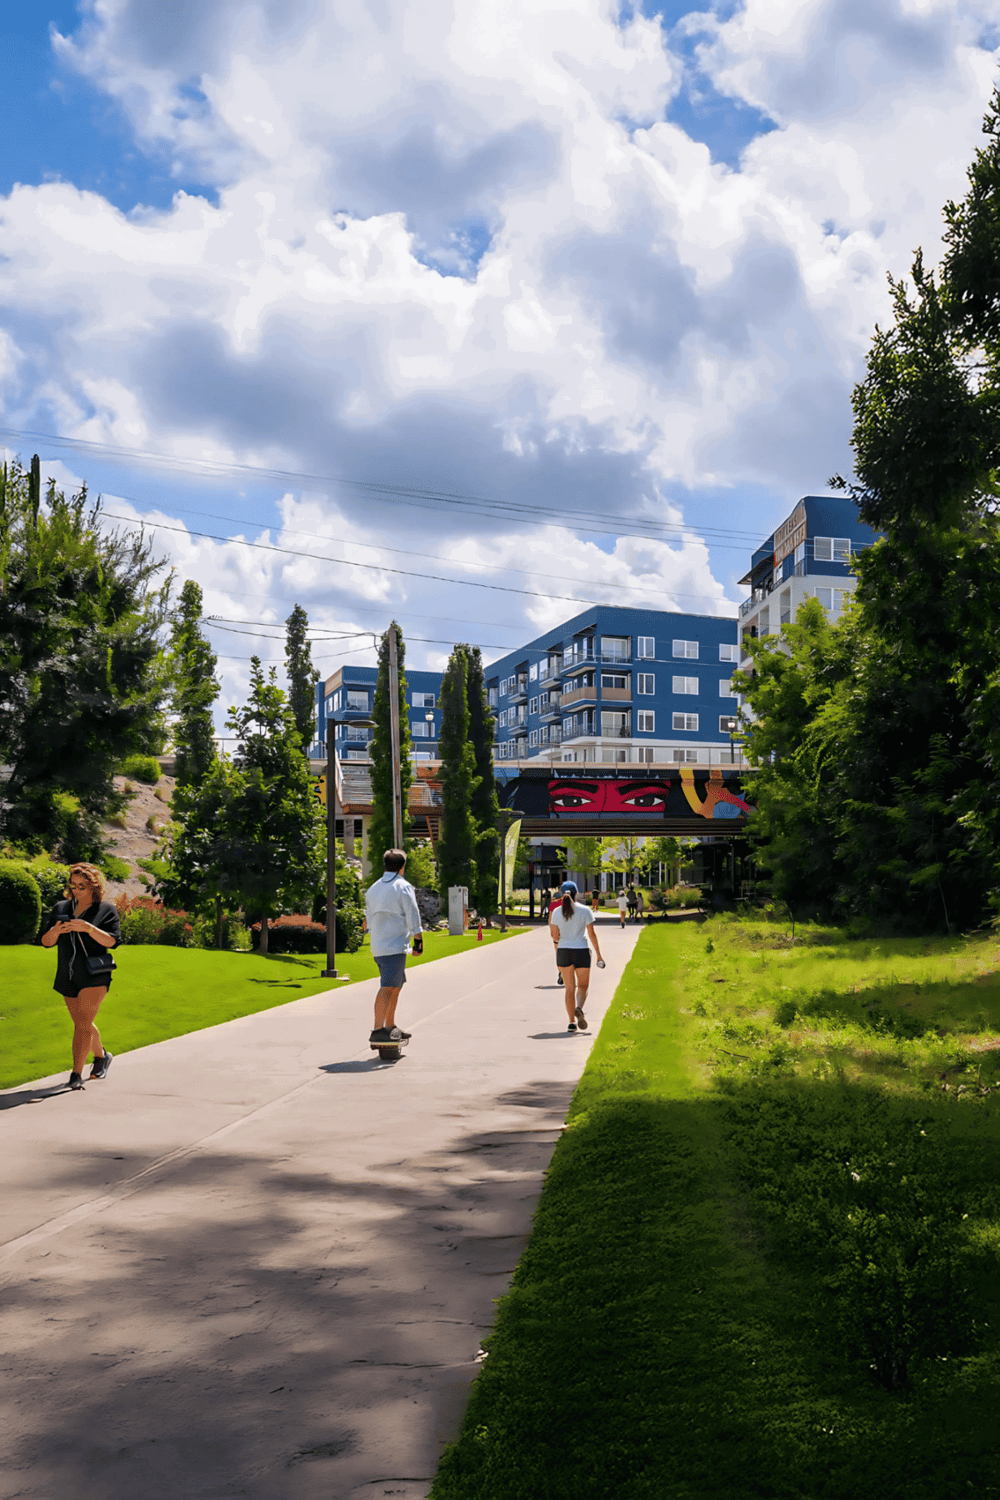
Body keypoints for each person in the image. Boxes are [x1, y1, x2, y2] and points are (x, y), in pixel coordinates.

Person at [41, 863, 121, 1091]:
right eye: (73, 885)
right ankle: (102, 1056)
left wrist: (88, 928)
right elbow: (46, 942)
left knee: (83, 1023)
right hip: (67, 974)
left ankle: (76, 1074)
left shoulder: (105, 910)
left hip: (94, 974)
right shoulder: (60, 908)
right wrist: (55, 931)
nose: (76, 890)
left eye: (82, 886)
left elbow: (112, 941)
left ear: (93, 886)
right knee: (82, 1023)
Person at [364, 848, 423, 1045]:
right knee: (387, 987)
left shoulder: (373, 888)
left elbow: (369, 917)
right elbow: (412, 913)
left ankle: (390, 1026)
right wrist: (419, 940)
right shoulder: (402, 886)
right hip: (394, 946)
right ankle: (378, 1029)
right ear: (402, 866)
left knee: (395, 987)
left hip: (379, 946)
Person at [549, 885, 604, 1033]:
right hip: (581, 951)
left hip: (564, 951)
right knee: (583, 986)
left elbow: (554, 935)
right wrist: (598, 954)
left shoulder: (556, 912)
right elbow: (592, 934)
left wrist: (559, 945)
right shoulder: (585, 910)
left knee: (569, 989)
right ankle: (579, 1008)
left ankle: (571, 1022)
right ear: (576, 894)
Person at [548, 881, 573, 985]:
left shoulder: (553, 905)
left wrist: (552, 933)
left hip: (557, 933)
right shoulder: (574, 906)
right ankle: (566, 974)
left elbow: (550, 921)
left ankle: (561, 973)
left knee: (559, 954)